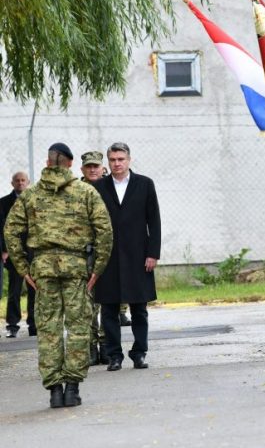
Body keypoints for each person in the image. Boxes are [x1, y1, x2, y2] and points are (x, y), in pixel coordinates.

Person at [3, 143, 113, 408]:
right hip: (76, 269)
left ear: (48, 162)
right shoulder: (86, 192)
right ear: (71, 163)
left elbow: (10, 232)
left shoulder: (30, 195)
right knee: (77, 327)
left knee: (49, 329)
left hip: (43, 270)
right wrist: (97, 268)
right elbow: (105, 231)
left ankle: (54, 390)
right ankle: (72, 388)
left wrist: (22, 268)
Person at [93, 142, 161, 371]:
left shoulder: (144, 184)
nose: (117, 163)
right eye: (112, 160)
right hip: (108, 256)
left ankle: (139, 352)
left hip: (138, 255)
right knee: (109, 308)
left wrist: (153, 253)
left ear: (129, 160)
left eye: (121, 159)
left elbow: (154, 220)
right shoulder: (98, 187)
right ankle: (114, 355)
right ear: (108, 162)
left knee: (139, 308)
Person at [80, 151, 110, 365]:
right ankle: (91, 345)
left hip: (106, 251)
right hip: (83, 252)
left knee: (108, 300)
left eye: (96, 166)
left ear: (102, 168)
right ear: (82, 169)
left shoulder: (111, 189)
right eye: (89, 166)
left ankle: (107, 344)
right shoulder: (75, 190)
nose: (92, 169)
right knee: (87, 301)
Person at [1, 171, 35, 338]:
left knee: (34, 289)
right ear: (12, 183)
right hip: (15, 253)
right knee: (14, 290)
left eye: (23, 180)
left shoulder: (35, 200)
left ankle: (33, 324)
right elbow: (2, 228)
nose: (20, 183)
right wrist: (4, 250)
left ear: (28, 182)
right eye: (17, 180)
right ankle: (12, 325)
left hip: (33, 252)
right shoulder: (3, 203)